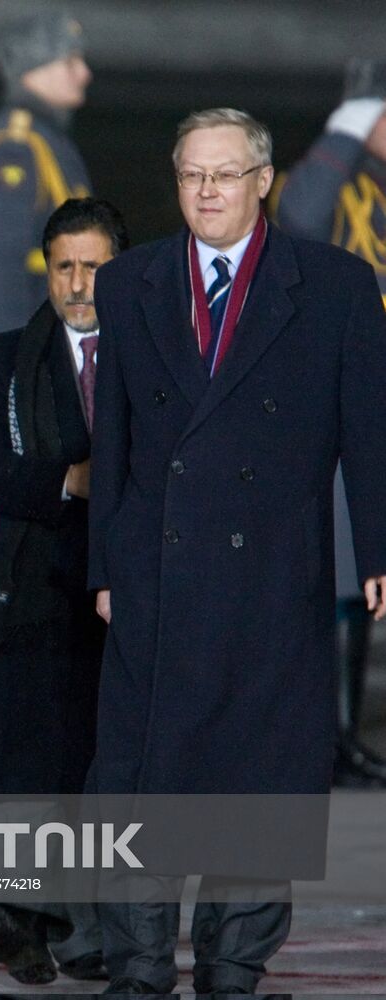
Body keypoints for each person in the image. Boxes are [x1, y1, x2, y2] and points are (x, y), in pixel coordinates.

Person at [88, 107, 386, 995]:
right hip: (156, 568)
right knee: (140, 779)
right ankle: (137, 970)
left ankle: (232, 969)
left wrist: (376, 549)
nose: (207, 190)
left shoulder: (334, 285)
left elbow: (367, 434)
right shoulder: (130, 282)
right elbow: (114, 444)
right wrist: (105, 565)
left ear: (263, 182)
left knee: (258, 778)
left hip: (274, 572)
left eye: (224, 173)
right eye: (190, 174)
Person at [0, 197, 128, 986]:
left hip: (119, 584)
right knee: (22, 757)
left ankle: (73, 920)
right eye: (62, 265)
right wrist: (66, 478)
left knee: (96, 761)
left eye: (91, 265)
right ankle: (22, 911)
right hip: (27, 580)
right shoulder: (1, 358)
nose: (76, 282)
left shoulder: (152, 351)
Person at [275, 58, 386, 788]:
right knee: (333, 572)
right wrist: (348, 122)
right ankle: (317, 736)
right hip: (330, 400)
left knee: (361, 577)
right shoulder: (330, 179)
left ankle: (340, 733)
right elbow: (298, 216)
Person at [0, 10, 91, 338]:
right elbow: (4, 258)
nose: (84, 74)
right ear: (34, 71)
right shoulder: (18, 144)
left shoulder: (50, 139)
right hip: (28, 336)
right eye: (70, 62)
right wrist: (14, 355)